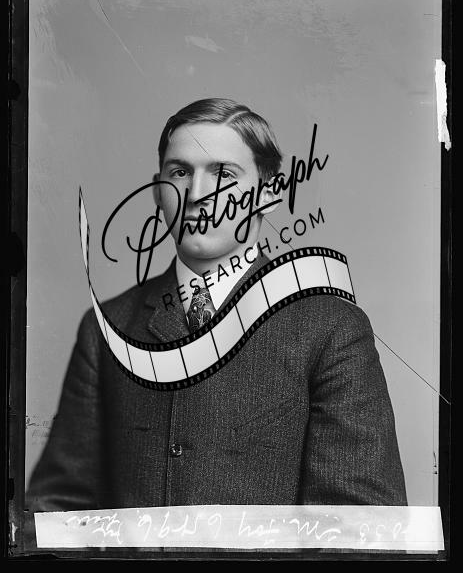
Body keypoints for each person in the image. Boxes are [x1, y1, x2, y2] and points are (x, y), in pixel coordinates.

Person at [26, 98, 407, 517]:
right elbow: (56, 509)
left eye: (223, 173)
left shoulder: (330, 328)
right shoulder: (107, 327)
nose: (197, 194)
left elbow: (360, 525)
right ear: (157, 192)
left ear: (269, 194)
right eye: (180, 172)